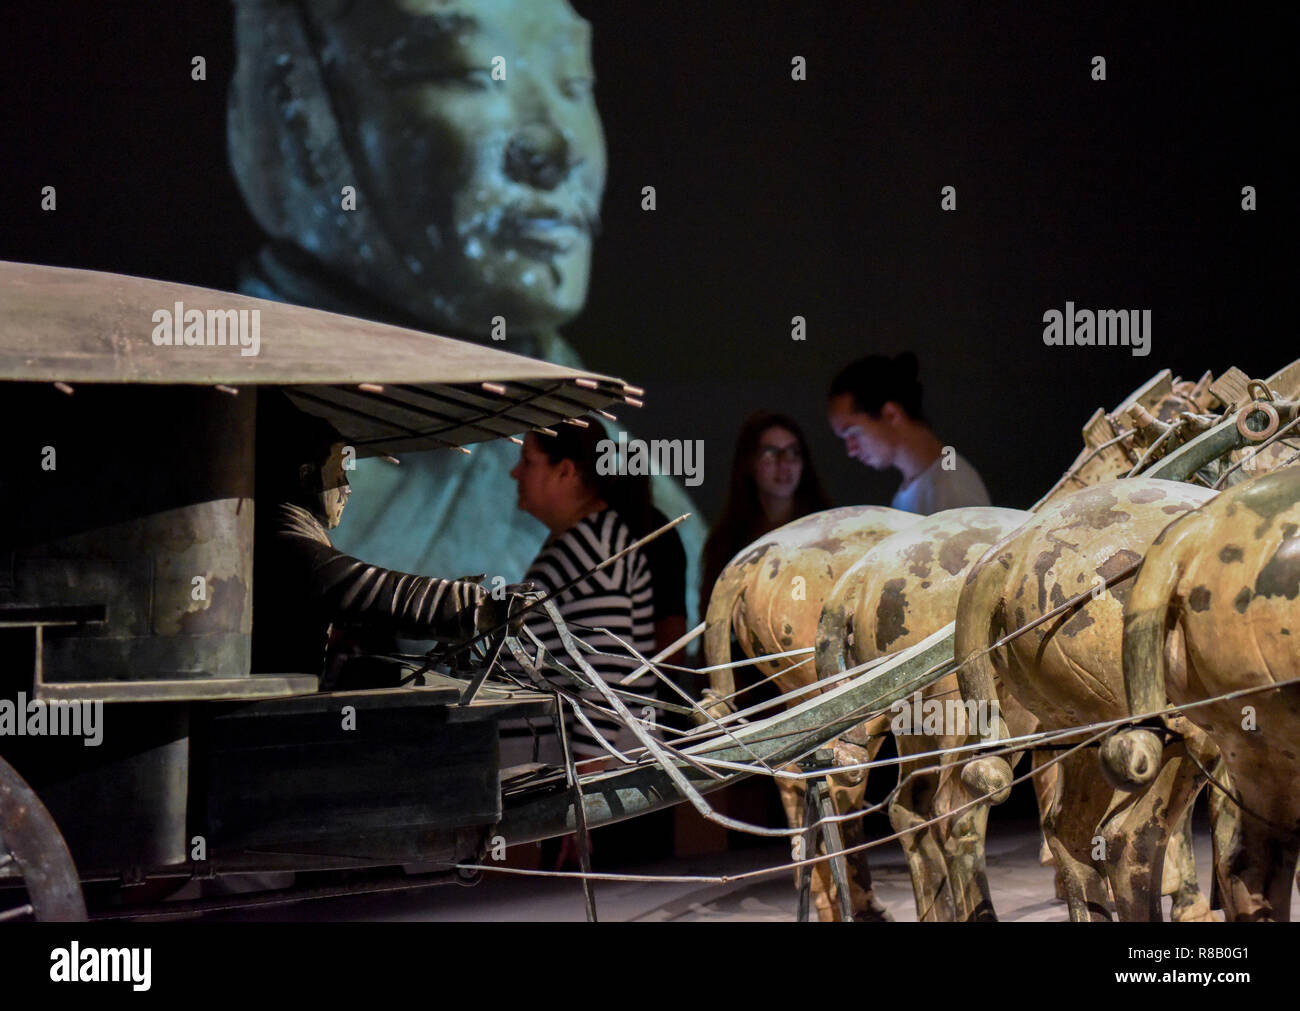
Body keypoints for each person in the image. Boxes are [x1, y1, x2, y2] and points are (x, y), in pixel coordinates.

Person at [227, 0, 706, 621]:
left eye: (573, 83)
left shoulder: (642, 511)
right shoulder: (236, 444)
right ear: (298, 112)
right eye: (471, 74)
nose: (552, 146)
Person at [251, 392, 520, 688]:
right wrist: (470, 605)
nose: (347, 490)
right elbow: (356, 586)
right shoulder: (282, 538)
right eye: (339, 474)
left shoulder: (293, 530)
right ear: (306, 476)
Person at [509, 421, 658, 762]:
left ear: (565, 471)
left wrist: (586, 791)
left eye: (528, 461)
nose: (515, 473)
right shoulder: (581, 540)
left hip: (590, 787)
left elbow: (604, 677)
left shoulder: (593, 547)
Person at [699, 411, 833, 620]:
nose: (784, 464)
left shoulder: (829, 531)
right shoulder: (727, 541)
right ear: (749, 462)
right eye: (770, 453)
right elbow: (713, 620)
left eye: (793, 453)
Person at [827, 352, 991, 514]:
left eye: (853, 433)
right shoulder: (910, 491)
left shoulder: (953, 489)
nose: (851, 450)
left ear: (891, 414)